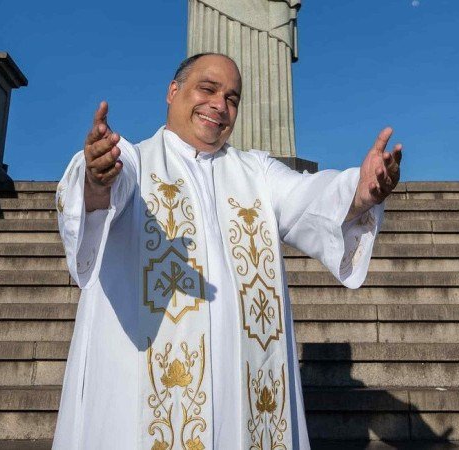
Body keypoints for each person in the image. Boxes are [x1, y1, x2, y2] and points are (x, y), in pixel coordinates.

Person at [53, 53, 401, 450]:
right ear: (173, 91)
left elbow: (309, 197)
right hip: (143, 399)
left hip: (243, 405)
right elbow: (102, 191)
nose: (220, 104)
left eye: (231, 98)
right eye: (208, 89)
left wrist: (360, 192)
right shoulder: (134, 160)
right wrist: (97, 180)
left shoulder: (256, 172)